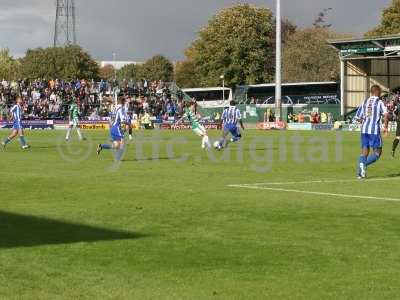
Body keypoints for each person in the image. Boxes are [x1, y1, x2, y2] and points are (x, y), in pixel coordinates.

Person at [355, 85, 388, 179]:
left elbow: (357, 117)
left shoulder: (364, 102)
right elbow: (386, 115)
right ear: (377, 92)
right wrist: (385, 127)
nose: (381, 94)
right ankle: (364, 164)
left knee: (364, 152)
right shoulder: (379, 102)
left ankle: (360, 174)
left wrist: (365, 122)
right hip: (373, 131)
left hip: (364, 130)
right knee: (377, 153)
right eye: (380, 92)